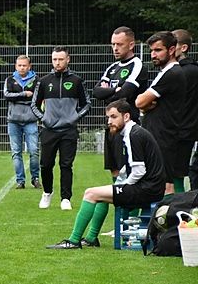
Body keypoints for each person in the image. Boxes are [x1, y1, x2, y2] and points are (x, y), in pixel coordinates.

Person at [47, 100, 166, 249]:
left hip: (148, 189)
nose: (109, 121)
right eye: (108, 117)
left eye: (114, 117)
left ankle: (73, 241)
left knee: (90, 193)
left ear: (126, 116)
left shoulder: (134, 135)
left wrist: (123, 186)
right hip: (150, 187)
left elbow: (139, 171)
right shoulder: (133, 132)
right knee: (101, 195)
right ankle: (91, 238)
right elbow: (133, 166)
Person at [31, 46, 91, 210]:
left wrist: (74, 118)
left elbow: (86, 104)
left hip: (68, 131)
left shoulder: (77, 81)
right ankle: (47, 193)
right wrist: (44, 118)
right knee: (46, 164)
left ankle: (65, 198)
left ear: (68, 59)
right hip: (49, 130)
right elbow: (34, 105)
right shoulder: (44, 81)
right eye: (54, 59)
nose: (57, 62)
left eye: (60, 59)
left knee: (66, 165)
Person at [136, 31, 191, 196]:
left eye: (158, 50)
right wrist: (146, 105)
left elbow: (139, 102)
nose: (153, 55)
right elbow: (144, 104)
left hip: (163, 136)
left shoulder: (171, 73)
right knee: (155, 182)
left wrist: (145, 104)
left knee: (165, 185)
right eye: (151, 50)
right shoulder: (166, 72)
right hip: (159, 134)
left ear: (172, 50)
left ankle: (169, 213)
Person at [91, 27, 148, 177]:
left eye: (119, 44)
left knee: (127, 168)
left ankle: (127, 192)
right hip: (111, 124)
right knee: (114, 168)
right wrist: (115, 90)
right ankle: (117, 192)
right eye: (113, 44)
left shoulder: (137, 65)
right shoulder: (112, 68)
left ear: (131, 45)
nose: (115, 48)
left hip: (128, 125)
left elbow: (125, 94)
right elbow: (96, 92)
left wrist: (109, 92)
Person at [3, 55, 41, 189]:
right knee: (16, 152)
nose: (22, 68)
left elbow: (37, 96)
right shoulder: (10, 80)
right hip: (13, 121)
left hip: (31, 120)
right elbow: (7, 95)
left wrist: (18, 98)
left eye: (24, 65)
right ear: (16, 66)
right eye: (19, 65)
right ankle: (20, 180)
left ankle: (35, 178)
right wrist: (23, 94)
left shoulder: (36, 80)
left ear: (29, 66)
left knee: (34, 151)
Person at [171, 29, 198, 191]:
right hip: (188, 129)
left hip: (179, 130)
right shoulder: (193, 69)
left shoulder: (179, 71)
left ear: (184, 47)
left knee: (174, 175)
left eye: (172, 45)